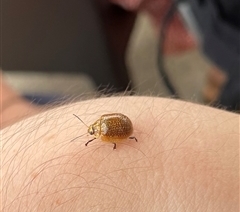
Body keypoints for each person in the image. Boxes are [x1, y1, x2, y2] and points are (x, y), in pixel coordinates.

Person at [1, 76, 239, 211]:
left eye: (92, 131)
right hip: (123, 125)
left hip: (125, 126)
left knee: (38, 104)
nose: (92, 132)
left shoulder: (103, 131)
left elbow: (116, 131)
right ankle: (14, 110)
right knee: (42, 103)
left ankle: (14, 110)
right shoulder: (101, 128)